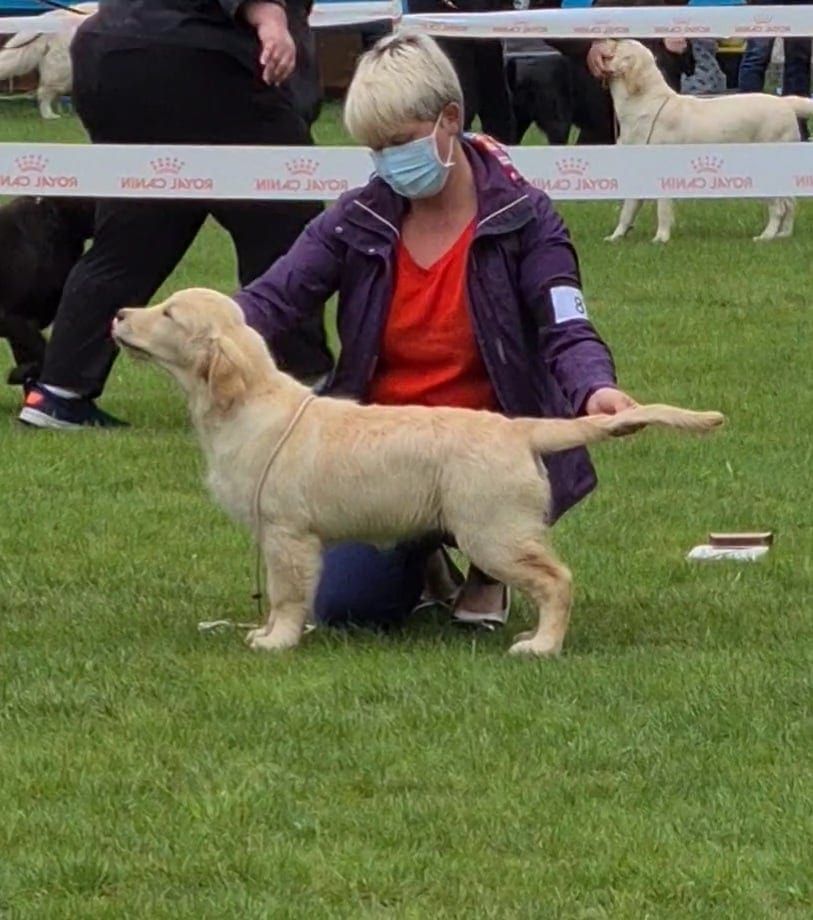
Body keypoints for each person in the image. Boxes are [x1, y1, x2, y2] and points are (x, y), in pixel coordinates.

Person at [234, 33, 638, 630]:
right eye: (375, 148)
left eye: (399, 142)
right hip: (378, 460)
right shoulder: (356, 218)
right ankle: (424, 562)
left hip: (486, 452)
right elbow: (272, 298)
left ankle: (487, 566)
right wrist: (194, 328)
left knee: (489, 531)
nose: (388, 160)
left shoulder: (526, 217)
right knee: (347, 610)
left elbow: (566, 325)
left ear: (450, 119)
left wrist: (594, 388)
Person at [20, 0, 332, 430]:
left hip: (114, 53)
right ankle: (307, 381)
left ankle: (58, 392)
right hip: (200, 59)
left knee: (134, 236)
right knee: (285, 223)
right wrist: (269, 14)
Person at [407, 0, 517, 144]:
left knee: (498, 112)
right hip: (446, 31)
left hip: (485, 32)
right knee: (460, 105)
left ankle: (502, 159)